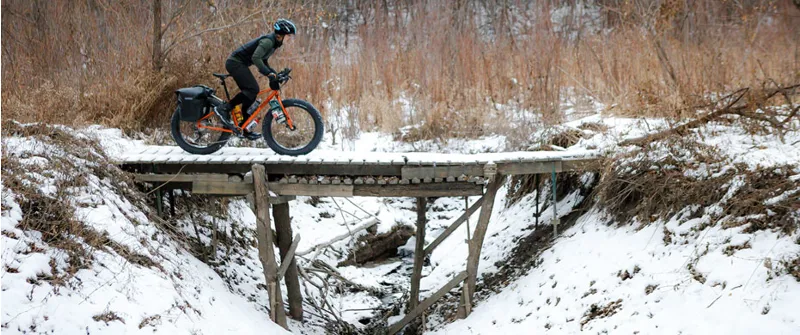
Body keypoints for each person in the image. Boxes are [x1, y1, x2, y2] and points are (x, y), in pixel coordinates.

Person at [214, 18, 296, 139]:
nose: (290, 39)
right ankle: (224, 108)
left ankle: (244, 127)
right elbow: (256, 58)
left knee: (251, 95)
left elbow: (263, 60)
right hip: (235, 63)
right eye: (289, 36)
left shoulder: (274, 44)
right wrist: (268, 73)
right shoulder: (268, 42)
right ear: (280, 35)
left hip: (240, 64)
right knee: (252, 89)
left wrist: (273, 74)